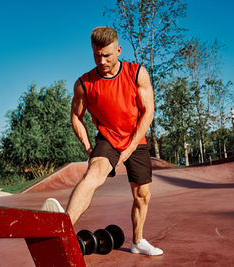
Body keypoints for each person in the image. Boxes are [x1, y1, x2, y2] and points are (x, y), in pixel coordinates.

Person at [43, 26, 163, 256]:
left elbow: (148, 112)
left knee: (143, 195)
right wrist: (88, 147)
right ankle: (63, 228)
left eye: (107, 55)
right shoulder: (85, 83)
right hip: (107, 137)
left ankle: (138, 241)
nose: (102, 60)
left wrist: (130, 147)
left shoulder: (137, 73)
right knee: (93, 175)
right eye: (97, 55)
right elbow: (75, 117)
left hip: (135, 138)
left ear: (118, 50)